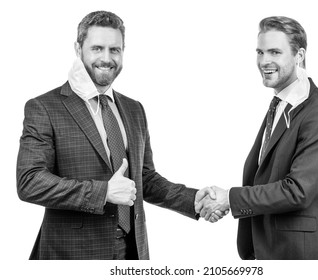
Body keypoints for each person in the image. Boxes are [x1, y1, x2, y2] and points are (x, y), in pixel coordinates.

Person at [16, 10, 223, 260]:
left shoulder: (134, 109)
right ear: (78, 48)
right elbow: (30, 182)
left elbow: (144, 179)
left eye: (115, 49)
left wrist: (194, 200)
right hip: (72, 255)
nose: (106, 58)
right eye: (97, 48)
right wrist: (103, 192)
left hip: (132, 252)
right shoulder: (44, 107)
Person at [195, 16, 318, 260]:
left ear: (299, 56)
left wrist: (230, 200)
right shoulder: (280, 106)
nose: (264, 61)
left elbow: (297, 190)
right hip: (269, 252)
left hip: (303, 257)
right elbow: (264, 176)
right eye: (260, 52)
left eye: (275, 52)